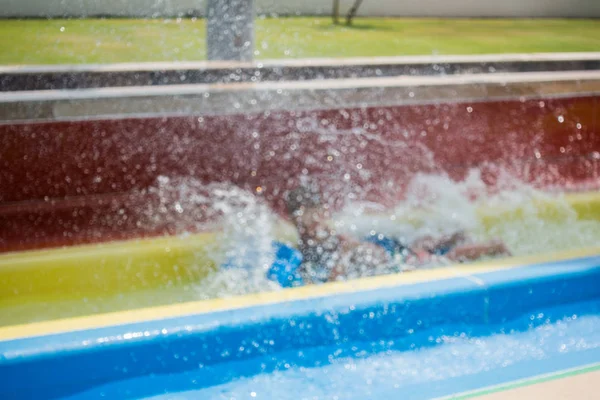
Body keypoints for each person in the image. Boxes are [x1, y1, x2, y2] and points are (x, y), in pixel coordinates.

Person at [284, 185, 511, 284]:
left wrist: (344, 257)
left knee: (440, 260)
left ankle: (493, 246)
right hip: (384, 251)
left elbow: (339, 276)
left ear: (323, 213)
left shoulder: (336, 239)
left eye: (314, 219)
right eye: (303, 223)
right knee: (421, 248)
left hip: (387, 255)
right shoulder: (306, 249)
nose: (310, 227)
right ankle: (454, 237)